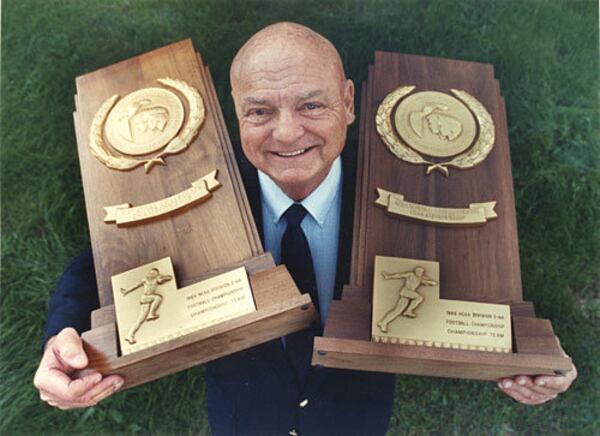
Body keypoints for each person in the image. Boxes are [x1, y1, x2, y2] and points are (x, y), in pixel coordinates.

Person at [33, 22, 577, 432]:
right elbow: (105, 263)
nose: (286, 133)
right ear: (235, 113)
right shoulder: (201, 190)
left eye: (311, 104)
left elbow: (480, 292)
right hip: (243, 415)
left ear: (347, 103)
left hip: (354, 418)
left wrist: (528, 359)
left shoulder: (413, 195)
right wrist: (62, 338)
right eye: (260, 111)